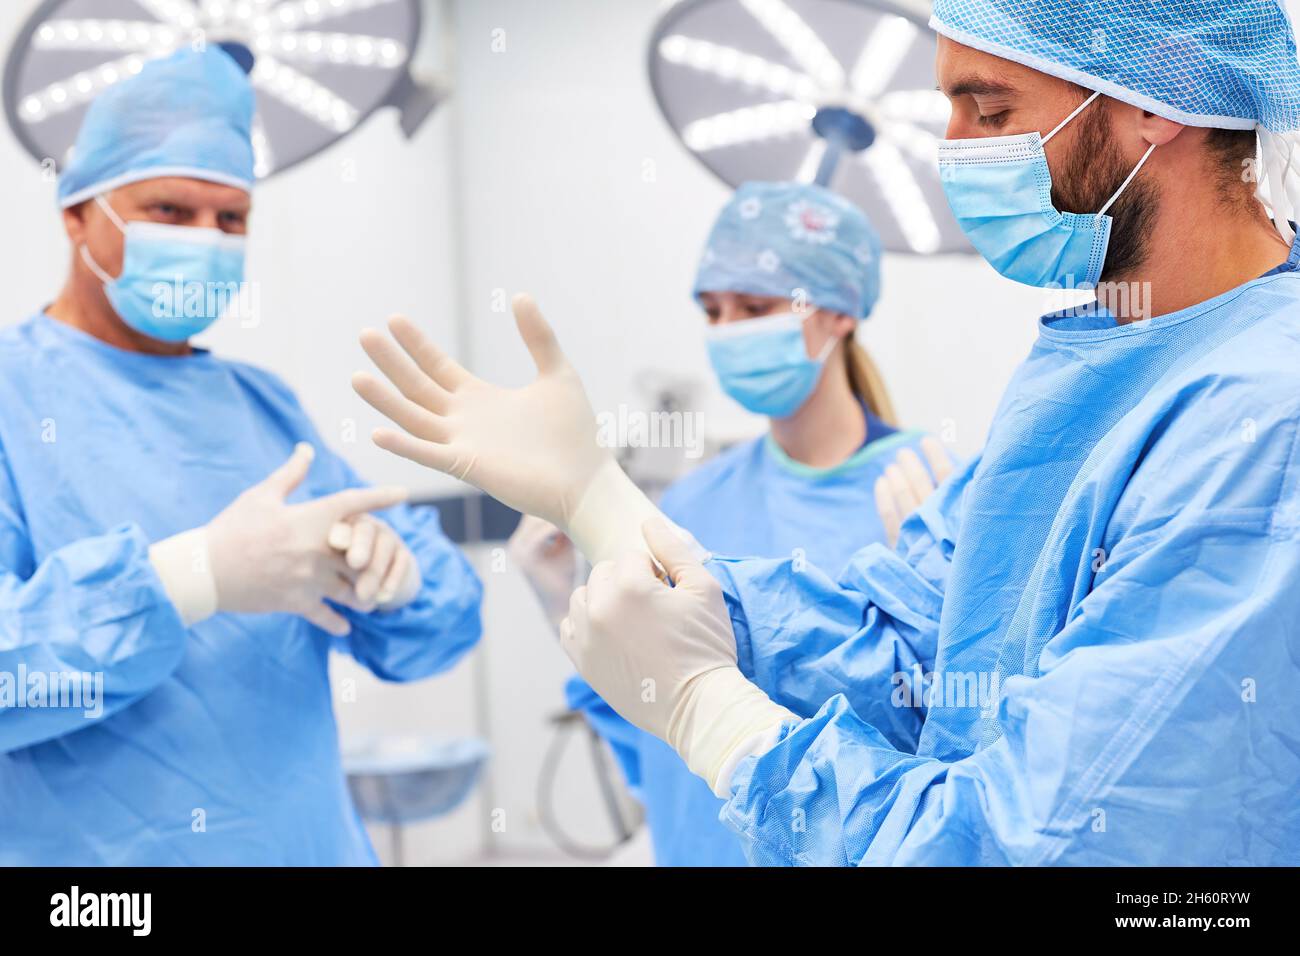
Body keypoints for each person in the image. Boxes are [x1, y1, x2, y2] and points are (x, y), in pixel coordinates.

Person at [352, 0, 1300, 865]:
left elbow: (1034, 845)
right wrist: (597, 500)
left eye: (991, 110)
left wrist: (710, 715)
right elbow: (900, 645)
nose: (955, 152)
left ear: (1158, 101)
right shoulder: (1095, 364)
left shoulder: (1263, 420)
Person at [0, 47, 483, 865]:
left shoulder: (261, 404)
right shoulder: (16, 399)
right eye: (168, 211)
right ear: (76, 215)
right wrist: (191, 578)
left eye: (231, 219)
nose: (206, 240)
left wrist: (395, 579)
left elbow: (437, 627)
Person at [509, 181, 951, 865]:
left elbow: (952, 734)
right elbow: (644, 712)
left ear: (837, 312)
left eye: (754, 307)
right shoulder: (688, 504)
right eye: (713, 310)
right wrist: (555, 596)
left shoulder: (930, 490)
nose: (727, 331)